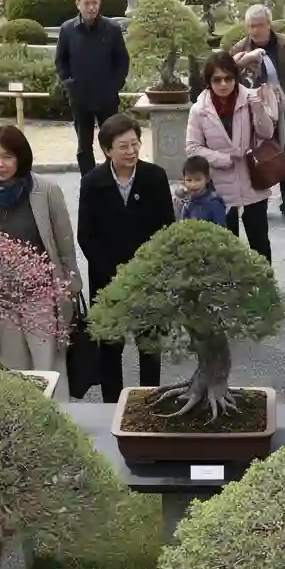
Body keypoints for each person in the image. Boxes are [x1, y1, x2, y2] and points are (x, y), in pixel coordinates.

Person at [0, 126, 81, 400]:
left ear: (21, 158)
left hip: (42, 296)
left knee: (49, 366)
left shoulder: (46, 191)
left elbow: (65, 246)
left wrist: (70, 287)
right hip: (2, 300)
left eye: (7, 156)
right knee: (12, 368)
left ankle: (59, 424)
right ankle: (21, 429)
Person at [77, 114, 175, 402]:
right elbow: (86, 236)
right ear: (107, 150)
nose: (131, 151)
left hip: (149, 279)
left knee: (149, 347)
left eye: (135, 144)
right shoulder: (93, 182)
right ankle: (112, 404)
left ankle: (149, 401)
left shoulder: (154, 177)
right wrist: (114, 273)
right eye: (123, 146)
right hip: (108, 281)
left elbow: (166, 230)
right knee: (109, 347)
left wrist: (148, 271)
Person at [185, 50, 279, 262]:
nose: (223, 84)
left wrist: (258, 107)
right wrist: (222, 159)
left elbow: (267, 133)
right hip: (219, 185)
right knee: (225, 244)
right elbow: (192, 148)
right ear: (209, 82)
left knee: (260, 241)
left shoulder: (249, 99)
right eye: (217, 80)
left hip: (252, 178)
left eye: (228, 78)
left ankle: (265, 286)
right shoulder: (199, 110)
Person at [230, 4, 285, 222]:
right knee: (255, 157)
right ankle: (257, 203)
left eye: (260, 25)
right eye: (251, 26)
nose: (256, 30)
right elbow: (227, 77)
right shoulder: (240, 49)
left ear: (269, 24)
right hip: (254, 113)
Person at [55, 0, 130, 176]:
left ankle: (113, 179)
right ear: (78, 4)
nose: (91, 7)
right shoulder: (67, 30)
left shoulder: (112, 29)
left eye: (95, 3)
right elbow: (60, 61)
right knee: (84, 145)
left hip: (107, 97)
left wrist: (115, 85)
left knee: (112, 142)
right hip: (80, 97)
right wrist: (69, 82)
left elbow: (122, 60)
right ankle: (88, 182)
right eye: (87, 3)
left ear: (99, 3)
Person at [174, 155, 228, 226]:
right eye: (189, 180)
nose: (193, 185)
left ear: (207, 179)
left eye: (198, 180)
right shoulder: (187, 203)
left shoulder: (214, 203)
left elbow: (221, 231)